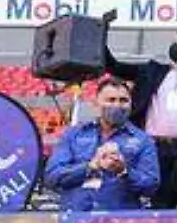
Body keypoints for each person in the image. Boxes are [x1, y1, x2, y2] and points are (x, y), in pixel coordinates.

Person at [105, 29, 177, 188]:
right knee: (156, 193)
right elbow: (114, 67)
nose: (174, 46)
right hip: (154, 145)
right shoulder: (153, 71)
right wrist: (100, 33)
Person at [45, 78, 160, 211]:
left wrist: (124, 171)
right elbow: (52, 177)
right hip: (77, 220)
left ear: (131, 104)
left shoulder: (143, 141)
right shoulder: (73, 135)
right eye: (110, 100)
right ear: (96, 102)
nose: (117, 105)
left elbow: (151, 186)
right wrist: (90, 167)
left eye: (123, 100)